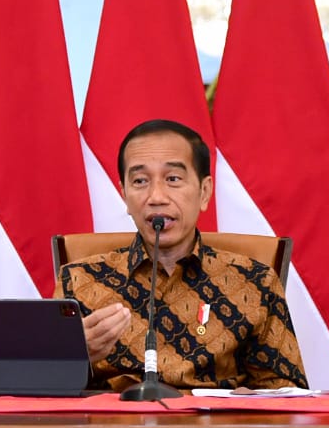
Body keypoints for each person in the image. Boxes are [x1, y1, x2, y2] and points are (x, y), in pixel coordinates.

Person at [58, 118, 307, 391]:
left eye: (173, 179)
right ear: (125, 196)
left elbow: (285, 391)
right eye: (140, 181)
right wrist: (73, 357)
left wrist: (252, 402)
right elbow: (41, 389)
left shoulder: (255, 280)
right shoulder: (79, 280)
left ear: (204, 192)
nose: (156, 196)